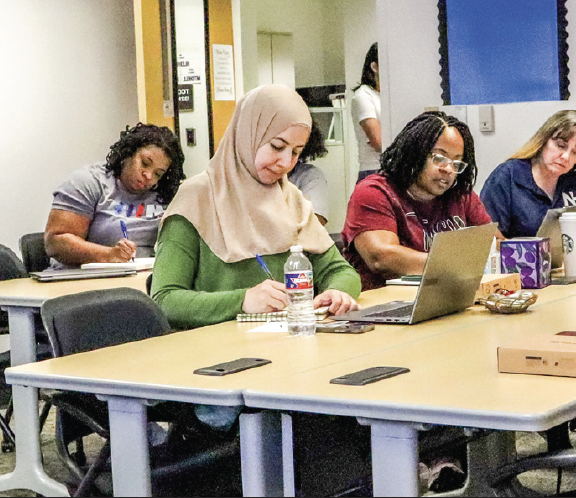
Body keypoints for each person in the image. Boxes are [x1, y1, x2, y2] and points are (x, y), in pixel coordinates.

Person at [152, 84, 360, 330]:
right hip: (215, 354)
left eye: (296, 152)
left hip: (284, 345)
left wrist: (336, 293)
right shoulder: (197, 197)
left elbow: (342, 272)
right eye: (277, 146)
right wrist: (242, 300)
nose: (285, 162)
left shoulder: (290, 198)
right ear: (248, 135)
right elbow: (164, 300)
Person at [342, 110, 492, 290]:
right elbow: (382, 257)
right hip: (385, 304)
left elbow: (492, 244)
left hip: (444, 297)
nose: (448, 169)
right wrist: (455, 267)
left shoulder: (460, 195)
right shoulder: (375, 192)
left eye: (456, 163)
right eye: (439, 158)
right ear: (414, 152)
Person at [45, 123, 185, 268]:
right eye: (144, 163)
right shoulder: (89, 182)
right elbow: (55, 242)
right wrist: (109, 255)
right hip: (86, 280)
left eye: (158, 173)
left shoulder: (167, 194)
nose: (148, 175)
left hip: (146, 279)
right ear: (128, 153)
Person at [480, 110, 576, 250]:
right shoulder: (508, 176)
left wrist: (565, 247)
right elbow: (488, 236)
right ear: (544, 140)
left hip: (572, 265)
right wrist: (534, 252)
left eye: (575, 153)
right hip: (521, 267)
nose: (565, 157)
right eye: (560, 145)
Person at [288, 122, 330, 227]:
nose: (284, 159)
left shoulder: (310, 176)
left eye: (294, 152)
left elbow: (314, 225)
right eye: (277, 147)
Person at [352, 42, 382, 183]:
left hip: (396, 168)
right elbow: (378, 142)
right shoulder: (363, 95)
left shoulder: (392, 96)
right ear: (374, 67)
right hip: (373, 170)